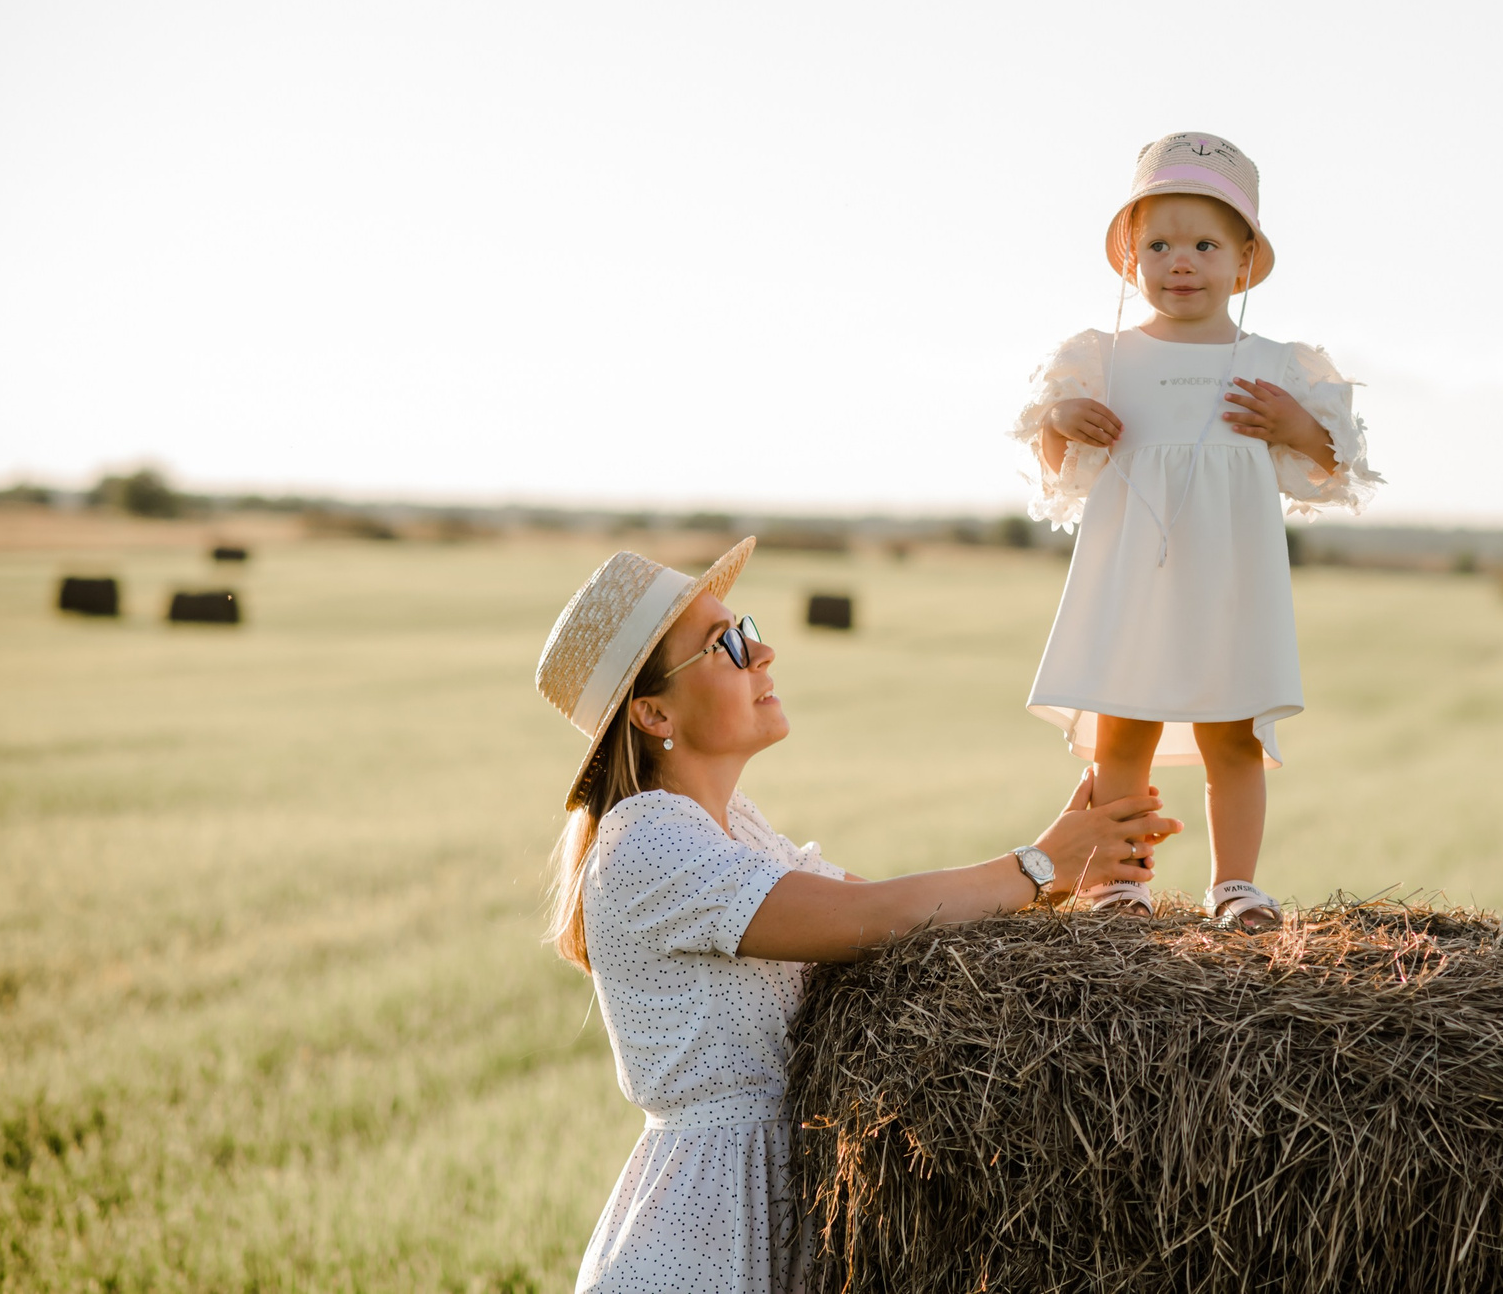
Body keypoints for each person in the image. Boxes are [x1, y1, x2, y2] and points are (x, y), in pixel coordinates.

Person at [534, 539, 1177, 1293]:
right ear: (652, 711)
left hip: (777, 1214)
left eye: (747, 624)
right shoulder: (645, 839)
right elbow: (868, 915)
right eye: (727, 643)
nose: (763, 649)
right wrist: (1039, 867)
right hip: (697, 1239)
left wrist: (1058, 867)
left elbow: (914, 922)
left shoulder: (735, 827)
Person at [1012, 133, 1381, 931]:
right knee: (1124, 727)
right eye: (1160, 244)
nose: (1181, 261)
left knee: (1235, 733)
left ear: (1244, 259)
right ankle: (1119, 880)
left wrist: (1294, 423)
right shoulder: (1104, 358)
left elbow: (1335, 468)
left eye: (1206, 243)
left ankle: (1236, 885)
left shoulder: (1276, 365)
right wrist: (1060, 420)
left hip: (1229, 578)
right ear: (1130, 256)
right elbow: (1057, 474)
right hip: (1132, 578)